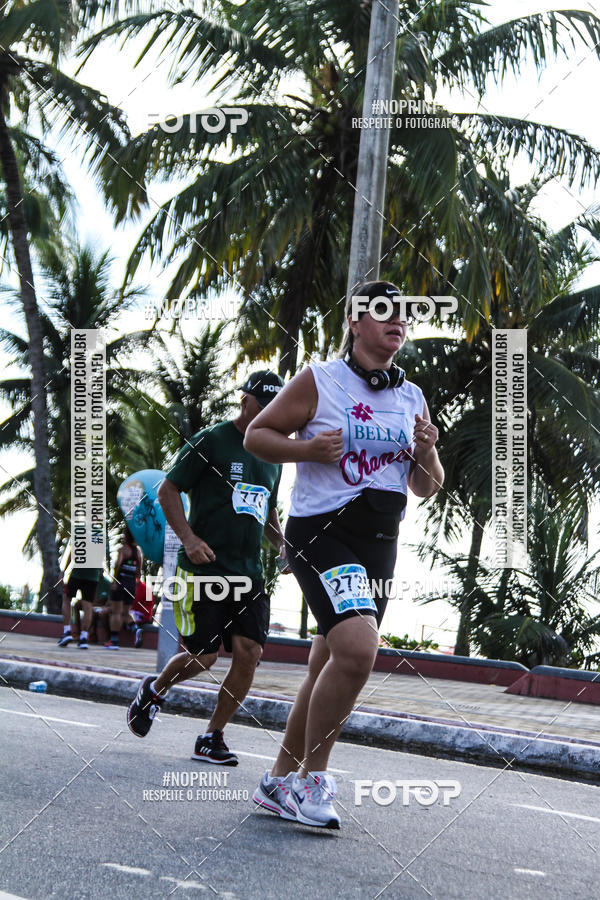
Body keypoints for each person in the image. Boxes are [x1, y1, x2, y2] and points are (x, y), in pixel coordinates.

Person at [244, 281, 444, 828]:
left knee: (327, 660)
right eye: (382, 312)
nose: (396, 322)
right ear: (355, 323)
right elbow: (257, 436)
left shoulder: (410, 396)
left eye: (404, 315)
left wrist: (425, 449)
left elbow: (427, 485)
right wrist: (306, 448)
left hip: (380, 541)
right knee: (357, 650)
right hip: (321, 532)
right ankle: (313, 781)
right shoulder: (320, 380)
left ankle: (278, 780)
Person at [127, 370, 289, 765]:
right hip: (203, 570)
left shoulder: (274, 455)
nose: (267, 411)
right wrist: (189, 538)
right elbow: (168, 489)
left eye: (275, 406)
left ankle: (212, 735)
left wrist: (283, 545)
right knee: (204, 657)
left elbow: (266, 512)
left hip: (248, 573)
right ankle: (155, 689)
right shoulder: (213, 441)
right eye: (261, 403)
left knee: (249, 652)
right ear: (245, 401)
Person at [105, 527, 142, 649]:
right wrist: (134, 583)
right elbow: (139, 572)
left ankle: (114, 641)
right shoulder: (138, 552)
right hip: (131, 584)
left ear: (126, 536)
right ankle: (135, 629)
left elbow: (117, 565)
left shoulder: (123, 550)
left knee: (116, 612)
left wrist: (114, 581)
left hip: (121, 583)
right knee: (126, 612)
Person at [57, 549, 101, 649]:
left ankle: (67, 632)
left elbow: (73, 551)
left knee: (67, 598)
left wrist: (63, 571)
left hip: (78, 572)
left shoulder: (80, 532)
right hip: (93, 575)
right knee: (88, 605)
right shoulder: (99, 533)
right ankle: (84, 638)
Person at [127, 579, 158, 648]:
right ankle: (135, 631)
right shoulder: (135, 587)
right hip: (137, 613)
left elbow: (149, 605)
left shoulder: (146, 589)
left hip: (142, 615)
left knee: (124, 613)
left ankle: (136, 631)